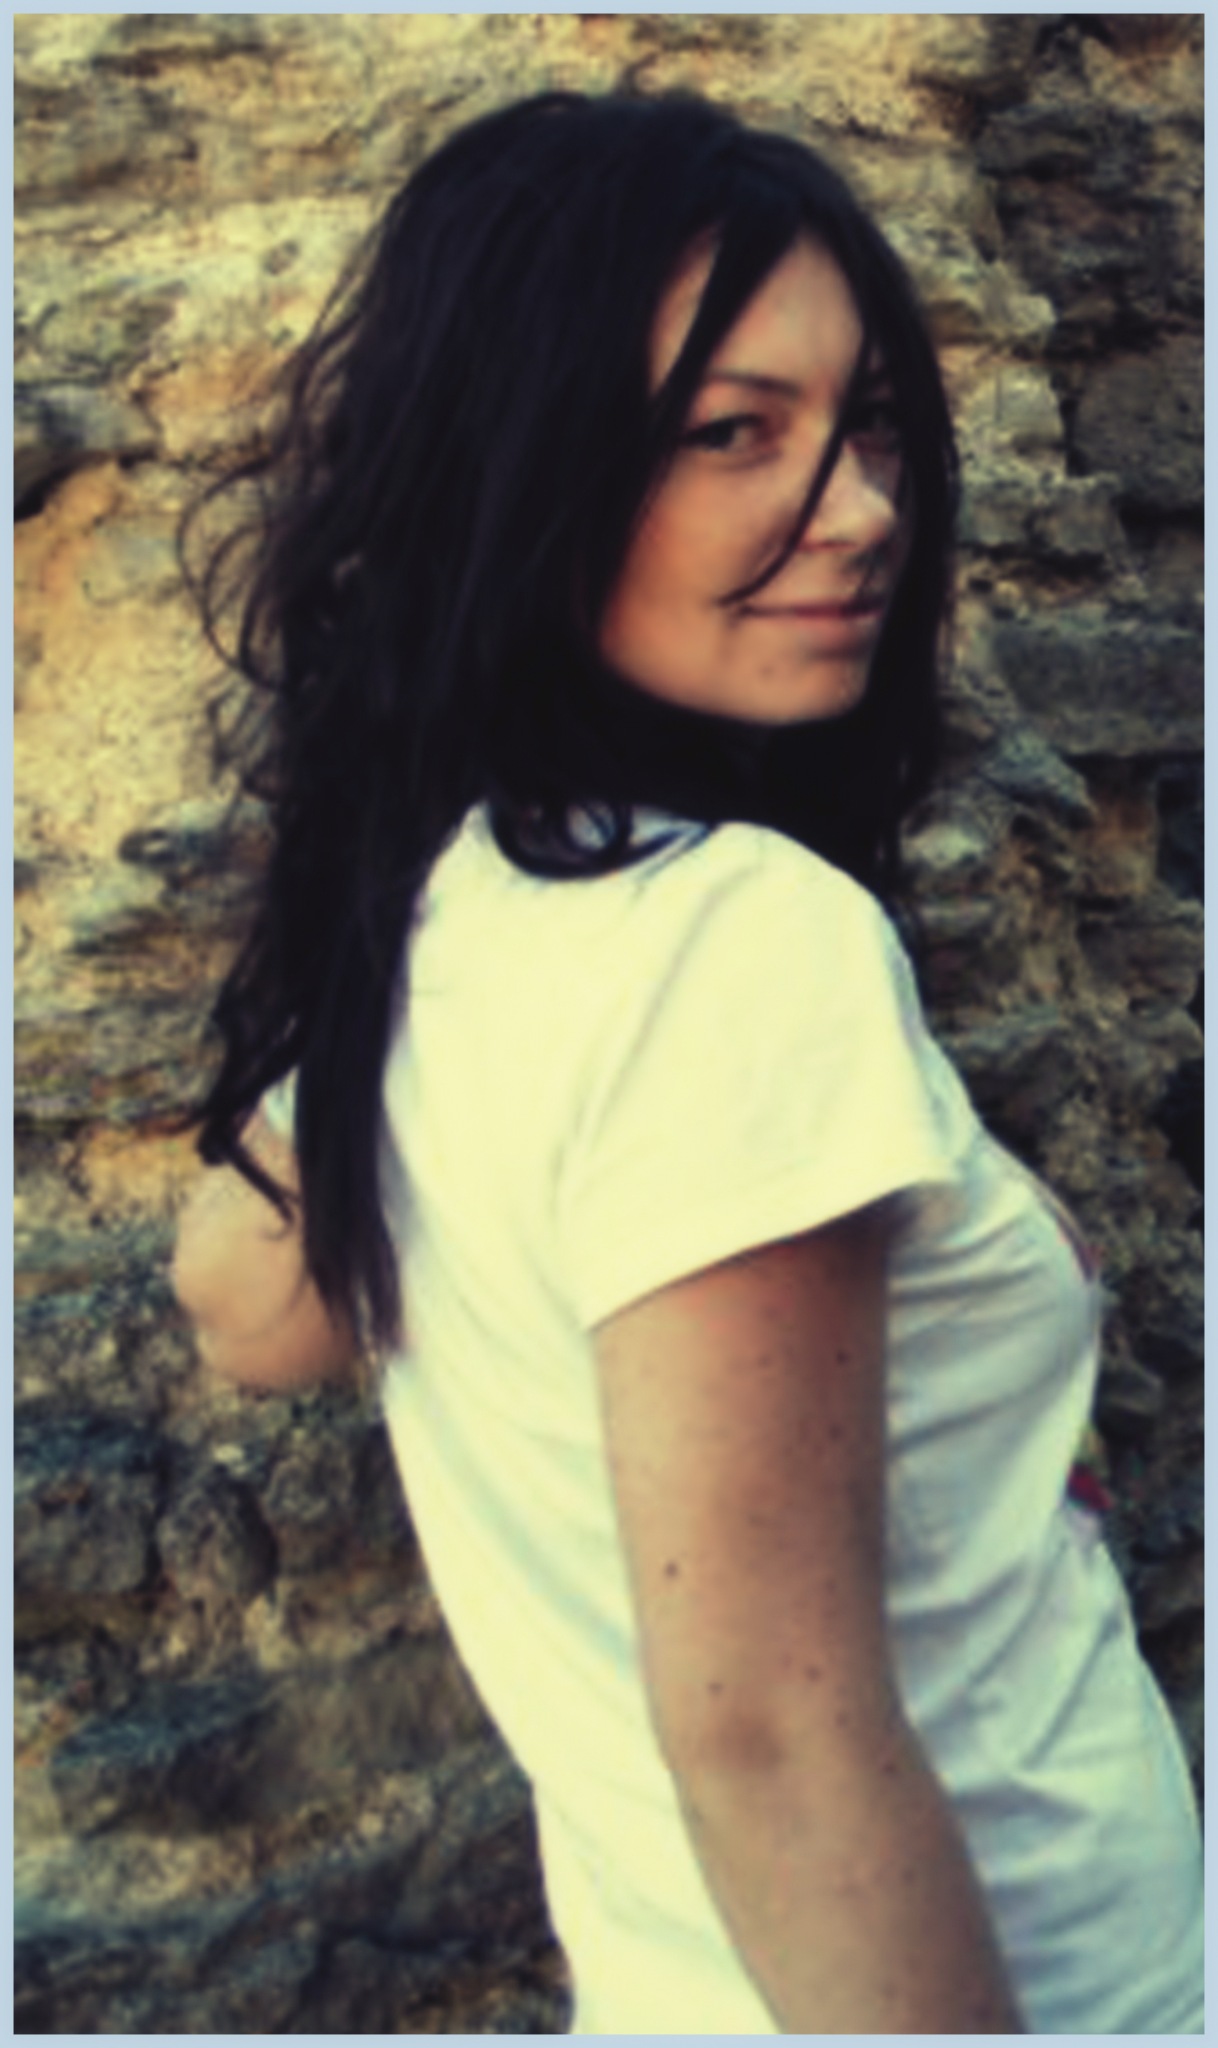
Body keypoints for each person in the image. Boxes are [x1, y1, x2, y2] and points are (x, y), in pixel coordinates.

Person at [172, 90, 1204, 2034]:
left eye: (866, 424)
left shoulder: (467, 914)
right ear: (518, 470)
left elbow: (245, 1301)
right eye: (735, 432)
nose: (864, 509)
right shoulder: (734, 946)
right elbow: (771, 1739)